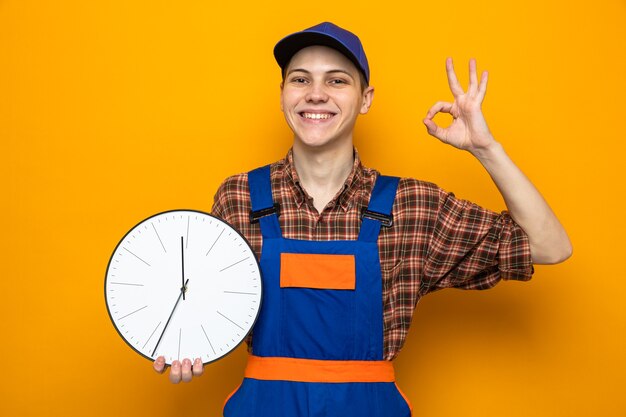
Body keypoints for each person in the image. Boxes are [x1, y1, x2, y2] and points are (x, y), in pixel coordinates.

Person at [153, 22, 572, 416]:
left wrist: (486, 148)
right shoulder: (239, 197)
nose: (316, 93)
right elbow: (197, 305)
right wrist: (183, 341)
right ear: (283, 93)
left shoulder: (413, 207)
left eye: (337, 80)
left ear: (366, 98)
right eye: (301, 79)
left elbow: (552, 247)